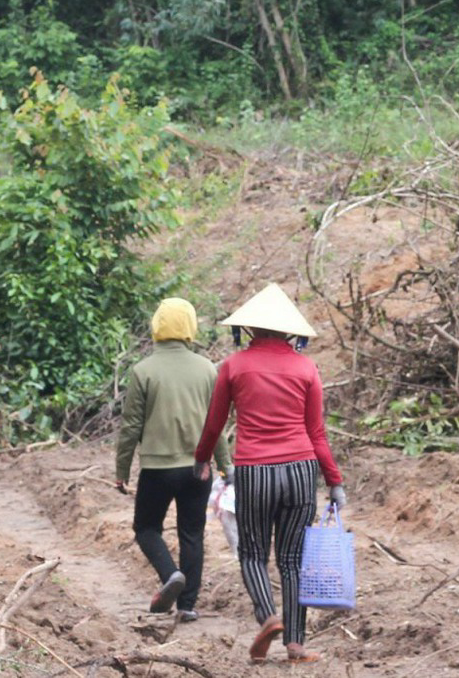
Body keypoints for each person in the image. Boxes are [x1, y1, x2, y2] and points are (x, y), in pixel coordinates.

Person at [195, 283, 345, 664]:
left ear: (249, 329)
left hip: (255, 472)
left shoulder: (233, 366)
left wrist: (202, 459)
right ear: (289, 331)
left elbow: (214, 426)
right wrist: (334, 480)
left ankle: (267, 617)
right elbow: (317, 433)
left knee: (252, 552)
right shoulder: (306, 367)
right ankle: (295, 645)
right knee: (293, 559)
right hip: (300, 472)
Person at [116, 297, 231, 621]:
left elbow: (131, 427)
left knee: (146, 527)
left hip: (157, 467)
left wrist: (121, 470)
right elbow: (215, 424)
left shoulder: (143, 370)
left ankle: (170, 575)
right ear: (190, 328)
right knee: (192, 534)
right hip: (199, 468)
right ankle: (188, 605)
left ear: (157, 326)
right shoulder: (207, 369)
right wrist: (225, 464)